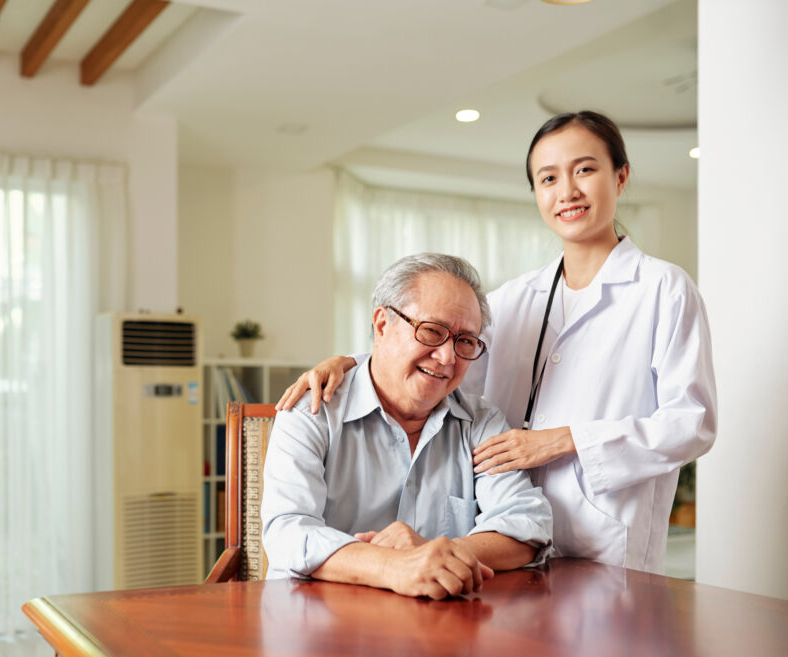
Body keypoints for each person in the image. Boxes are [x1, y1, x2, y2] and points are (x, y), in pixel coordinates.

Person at [276, 111, 717, 574]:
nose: (567, 191)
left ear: (620, 176)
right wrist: (346, 362)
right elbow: (434, 362)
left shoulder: (663, 289)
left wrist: (564, 441)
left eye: (584, 170)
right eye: (548, 178)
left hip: (604, 545)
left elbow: (694, 423)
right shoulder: (511, 299)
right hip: (500, 554)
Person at [262, 253, 553, 600]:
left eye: (464, 341)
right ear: (382, 324)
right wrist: (391, 566)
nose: (448, 358)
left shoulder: (481, 423)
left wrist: (437, 554)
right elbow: (288, 532)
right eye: (431, 331)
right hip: (321, 628)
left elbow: (528, 527)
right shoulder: (312, 409)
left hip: (441, 633)